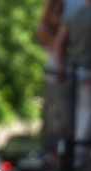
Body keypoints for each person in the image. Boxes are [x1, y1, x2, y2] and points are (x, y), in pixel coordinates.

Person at [54, 0, 91, 162]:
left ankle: (75, 153)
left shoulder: (73, 15)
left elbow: (59, 43)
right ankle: (78, 155)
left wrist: (61, 69)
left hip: (74, 68)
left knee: (78, 112)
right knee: (89, 111)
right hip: (89, 70)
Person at [36, 0, 66, 162]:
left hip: (60, 71)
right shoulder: (43, 27)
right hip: (54, 74)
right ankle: (51, 151)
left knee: (62, 115)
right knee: (54, 115)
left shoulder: (56, 27)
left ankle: (58, 150)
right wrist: (62, 28)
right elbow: (57, 46)